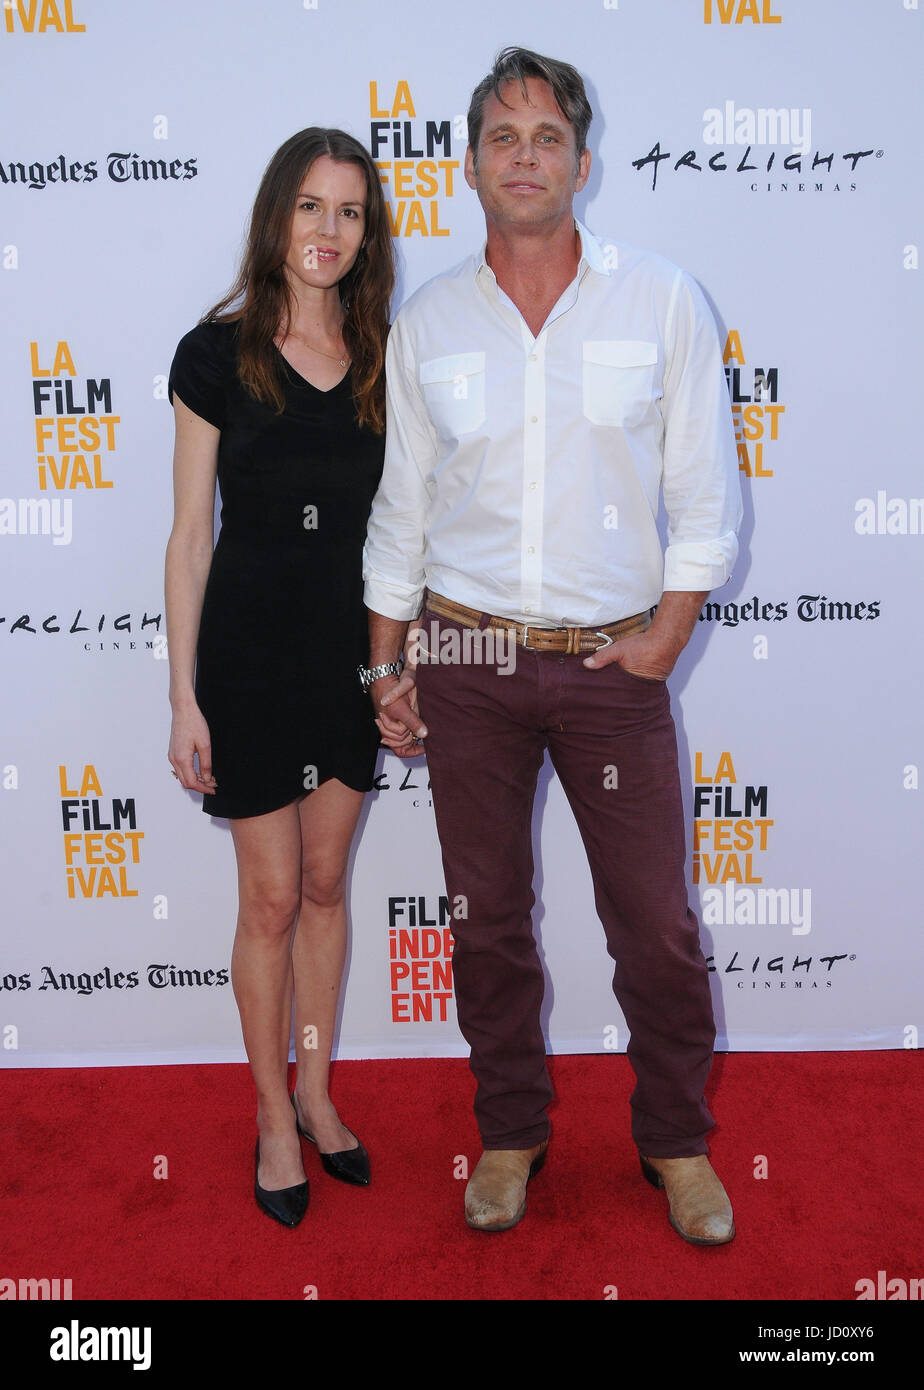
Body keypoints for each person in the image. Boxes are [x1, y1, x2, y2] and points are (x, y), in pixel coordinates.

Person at [361, 48, 742, 1242]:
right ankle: (512, 1130)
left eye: (545, 135)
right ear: (469, 165)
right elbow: (399, 516)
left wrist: (667, 636)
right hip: (466, 665)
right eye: (502, 136)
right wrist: (388, 665)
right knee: (485, 919)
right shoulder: (427, 325)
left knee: (657, 926)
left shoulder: (663, 298)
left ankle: (677, 1142)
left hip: (611, 669)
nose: (524, 156)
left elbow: (706, 496)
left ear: (582, 157)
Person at [165, 128, 394, 1227]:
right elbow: (188, 538)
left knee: (325, 889)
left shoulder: (386, 351)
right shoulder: (216, 355)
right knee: (266, 896)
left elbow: (406, 532)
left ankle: (316, 1089)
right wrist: (182, 696)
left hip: (347, 662)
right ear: (276, 216)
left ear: (368, 229)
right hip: (249, 663)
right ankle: (268, 1115)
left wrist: (401, 668)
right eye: (310, 206)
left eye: (349, 211)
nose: (328, 230)